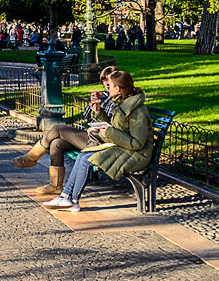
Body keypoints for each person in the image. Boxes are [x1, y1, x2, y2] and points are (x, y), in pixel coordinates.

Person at [41, 70, 153, 212]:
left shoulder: (137, 111)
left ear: (118, 89)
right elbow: (118, 126)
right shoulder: (123, 103)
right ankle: (65, 196)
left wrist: (110, 132)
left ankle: (73, 200)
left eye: (110, 86)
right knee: (82, 156)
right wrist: (99, 114)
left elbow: (137, 143)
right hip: (123, 147)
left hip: (138, 154)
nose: (108, 88)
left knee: (87, 160)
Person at [12, 66, 119, 195]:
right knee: (56, 143)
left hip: (101, 140)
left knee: (57, 129)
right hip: (92, 135)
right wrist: (94, 107)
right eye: (104, 83)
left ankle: (31, 157)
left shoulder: (118, 100)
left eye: (109, 84)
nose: (107, 87)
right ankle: (55, 185)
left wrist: (98, 123)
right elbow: (85, 116)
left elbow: (114, 125)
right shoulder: (104, 96)